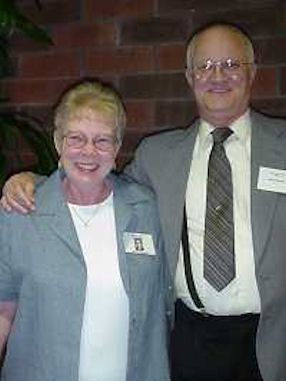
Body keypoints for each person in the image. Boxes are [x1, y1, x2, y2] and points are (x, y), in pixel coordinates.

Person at [2, 21, 286, 381]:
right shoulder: (158, 156)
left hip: (273, 341)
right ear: (189, 76)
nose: (217, 76)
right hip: (189, 341)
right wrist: (31, 182)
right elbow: (92, 183)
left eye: (231, 64)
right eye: (205, 66)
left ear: (252, 72)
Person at [0, 79, 170, 381]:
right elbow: (3, 307)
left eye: (102, 140)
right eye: (76, 138)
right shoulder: (21, 210)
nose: (89, 151)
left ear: (117, 146)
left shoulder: (144, 207)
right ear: (57, 143)